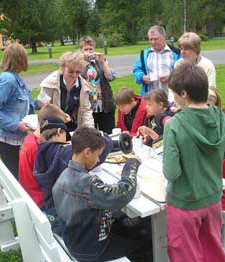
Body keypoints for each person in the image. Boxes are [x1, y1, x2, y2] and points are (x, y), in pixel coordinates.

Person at [162, 62, 225, 261]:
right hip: (213, 198)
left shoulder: (174, 124)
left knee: (185, 254)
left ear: (183, 94)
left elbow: (171, 172)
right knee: (212, 249)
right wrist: (209, 156)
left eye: (173, 93)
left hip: (185, 202)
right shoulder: (219, 115)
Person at [52, 126, 152, 262]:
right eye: (98, 154)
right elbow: (124, 192)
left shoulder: (63, 176)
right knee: (145, 239)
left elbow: (95, 199)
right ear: (87, 152)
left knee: (131, 222)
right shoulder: (87, 184)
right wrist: (131, 164)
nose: (98, 160)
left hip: (76, 238)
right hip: (91, 249)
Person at [34, 122, 113, 236]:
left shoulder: (43, 151)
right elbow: (114, 197)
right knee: (113, 212)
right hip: (70, 230)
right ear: (59, 132)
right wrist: (102, 135)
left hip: (53, 214)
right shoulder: (64, 154)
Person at [0, 42, 40, 179]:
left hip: (18, 137)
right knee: (15, 176)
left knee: (22, 174)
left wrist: (40, 104)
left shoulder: (16, 78)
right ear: (19, 59)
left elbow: (26, 102)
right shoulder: (7, 81)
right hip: (7, 139)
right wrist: (16, 125)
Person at [18, 104, 69, 209]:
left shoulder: (29, 139)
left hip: (29, 192)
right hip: (41, 199)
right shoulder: (40, 148)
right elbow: (57, 176)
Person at [39, 51, 94, 132]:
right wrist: (60, 117)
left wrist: (90, 130)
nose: (74, 75)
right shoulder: (49, 83)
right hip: (53, 127)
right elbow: (43, 106)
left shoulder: (83, 86)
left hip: (72, 126)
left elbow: (86, 110)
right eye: (71, 71)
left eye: (78, 72)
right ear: (62, 68)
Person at [79, 36, 116, 134]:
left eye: (91, 49)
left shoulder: (101, 61)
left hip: (104, 104)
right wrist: (84, 62)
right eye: (86, 49)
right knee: (91, 136)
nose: (89, 51)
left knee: (108, 133)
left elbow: (111, 77)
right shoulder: (78, 63)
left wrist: (102, 62)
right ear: (81, 50)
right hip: (89, 105)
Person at [133, 25, 181, 96]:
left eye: (156, 39)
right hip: (150, 98)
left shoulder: (176, 53)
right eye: (150, 39)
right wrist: (142, 77)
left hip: (172, 96)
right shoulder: (144, 54)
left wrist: (171, 77)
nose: (153, 42)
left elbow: (184, 73)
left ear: (164, 37)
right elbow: (136, 70)